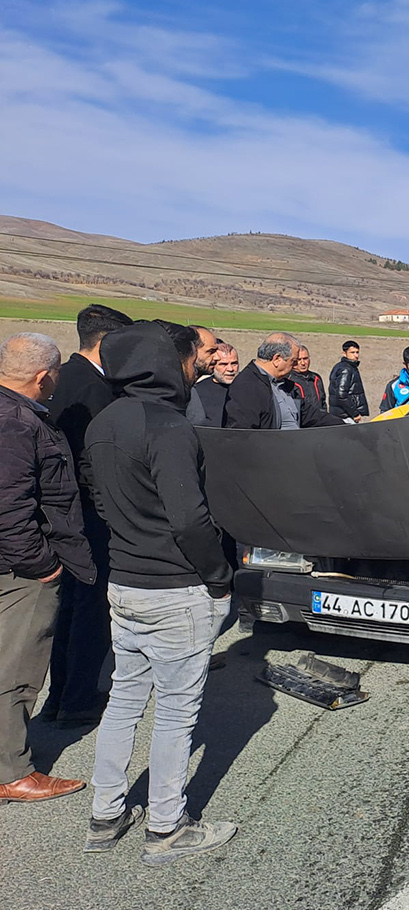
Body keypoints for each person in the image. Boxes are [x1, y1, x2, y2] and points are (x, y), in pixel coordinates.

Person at [83, 320, 238, 862]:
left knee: (125, 699)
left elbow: (101, 501)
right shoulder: (167, 424)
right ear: (162, 363)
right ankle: (168, 828)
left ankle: (105, 815)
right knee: (176, 711)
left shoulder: (104, 422)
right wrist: (219, 578)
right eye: (191, 356)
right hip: (176, 588)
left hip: (124, 581)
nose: (196, 361)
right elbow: (190, 519)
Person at [0, 333, 95, 804]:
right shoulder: (18, 423)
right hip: (18, 570)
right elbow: (10, 506)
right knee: (17, 669)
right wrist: (42, 565)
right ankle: (13, 772)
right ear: (44, 376)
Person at [44, 304, 132, 727]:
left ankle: (59, 697)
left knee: (70, 608)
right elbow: (92, 463)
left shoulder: (65, 376)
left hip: (66, 513)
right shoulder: (94, 390)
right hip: (88, 516)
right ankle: (77, 700)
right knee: (89, 609)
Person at [224, 333, 342, 430]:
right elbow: (243, 434)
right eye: (293, 361)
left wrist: (346, 426)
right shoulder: (247, 387)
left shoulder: (286, 385)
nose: (296, 366)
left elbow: (310, 416)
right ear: (277, 359)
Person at [186, 342, 238, 428]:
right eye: (223, 364)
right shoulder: (198, 390)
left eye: (234, 363)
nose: (230, 369)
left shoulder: (247, 387)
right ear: (213, 364)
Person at [328, 340, 369, 422]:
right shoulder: (346, 369)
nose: (356, 355)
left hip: (342, 413)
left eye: (357, 352)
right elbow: (341, 394)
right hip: (345, 415)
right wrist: (355, 413)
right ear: (344, 353)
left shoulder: (345, 367)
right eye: (352, 352)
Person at [288, 345, 326, 413]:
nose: (303, 363)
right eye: (299, 360)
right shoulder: (288, 380)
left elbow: (323, 402)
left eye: (305, 359)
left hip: (319, 419)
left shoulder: (316, 378)